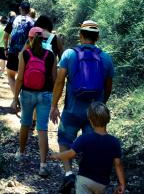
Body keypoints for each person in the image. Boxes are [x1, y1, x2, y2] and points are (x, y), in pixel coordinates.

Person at [50, 20, 115, 192]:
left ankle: (69, 173)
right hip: (94, 112)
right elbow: (108, 86)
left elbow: (59, 82)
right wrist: (101, 105)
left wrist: (54, 105)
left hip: (72, 109)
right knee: (91, 145)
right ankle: (85, 180)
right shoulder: (106, 58)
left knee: (64, 140)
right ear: (98, 37)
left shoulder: (69, 55)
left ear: (80, 35)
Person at [51, 102, 126, 194]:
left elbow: (71, 153)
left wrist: (57, 156)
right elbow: (118, 164)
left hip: (84, 179)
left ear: (90, 120)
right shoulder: (114, 142)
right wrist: (122, 184)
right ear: (108, 119)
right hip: (102, 183)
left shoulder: (84, 138)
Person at [11, 27, 56, 177]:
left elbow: (20, 78)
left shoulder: (25, 54)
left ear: (29, 39)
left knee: (25, 123)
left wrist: (15, 98)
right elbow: (55, 80)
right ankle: (43, 165)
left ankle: (20, 153)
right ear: (43, 39)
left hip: (28, 94)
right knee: (42, 128)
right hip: (45, 95)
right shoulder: (50, 55)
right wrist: (55, 102)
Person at [3, 1, 34, 93]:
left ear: (20, 9)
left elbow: (5, 37)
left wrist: (5, 49)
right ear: (29, 10)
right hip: (27, 53)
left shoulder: (13, 20)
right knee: (25, 76)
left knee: (10, 75)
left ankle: (16, 97)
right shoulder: (33, 22)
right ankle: (23, 98)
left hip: (13, 51)